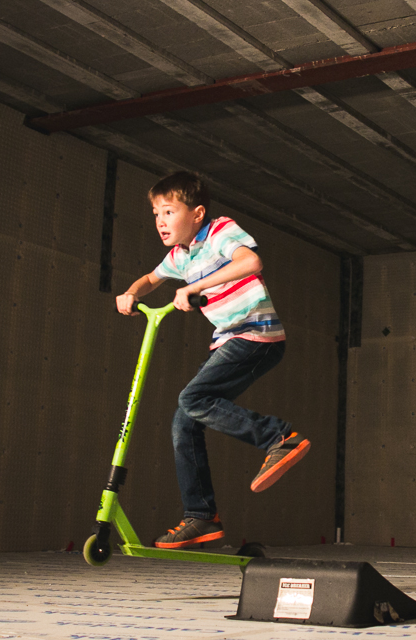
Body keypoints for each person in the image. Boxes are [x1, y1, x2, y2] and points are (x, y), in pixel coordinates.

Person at [116, 171, 310, 549]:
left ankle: (280, 437)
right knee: (184, 422)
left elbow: (251, 262)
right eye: (156, 213)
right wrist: (131, 292)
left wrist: (196, 287)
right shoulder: (179, 257)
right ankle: (202, 517)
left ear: (198, 213)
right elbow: (151, 279)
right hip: (228, 341)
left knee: (191, 399)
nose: (160, 221)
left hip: (256, 334)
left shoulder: (221, 231)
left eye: (169, 211)